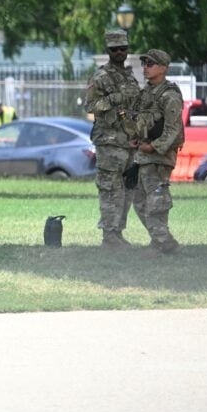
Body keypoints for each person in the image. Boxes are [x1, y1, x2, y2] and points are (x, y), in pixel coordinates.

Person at [84, 29, 141, 249]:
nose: (119, 52)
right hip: (109, 142)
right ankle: (109, 234)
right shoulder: (100, 77)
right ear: (108, 50)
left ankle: (117, 233)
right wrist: (115, 98)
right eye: (115, 49)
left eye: (123, 48)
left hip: (129, 142)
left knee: (128, 189)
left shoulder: (130, 76)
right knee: (110, 188)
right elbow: (91, 106)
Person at [127, 49, 184, 256]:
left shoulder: (169, 96)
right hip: (143, 155)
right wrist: (136, 138)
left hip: (159, 157)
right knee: (139, 201)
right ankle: (160, 241)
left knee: (156, 202)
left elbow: (172, 129)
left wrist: (153, 146)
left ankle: (163, 243)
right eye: (144, 64)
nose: (145, 68)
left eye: (150, 64)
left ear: (163, 68)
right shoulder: (146, 93)